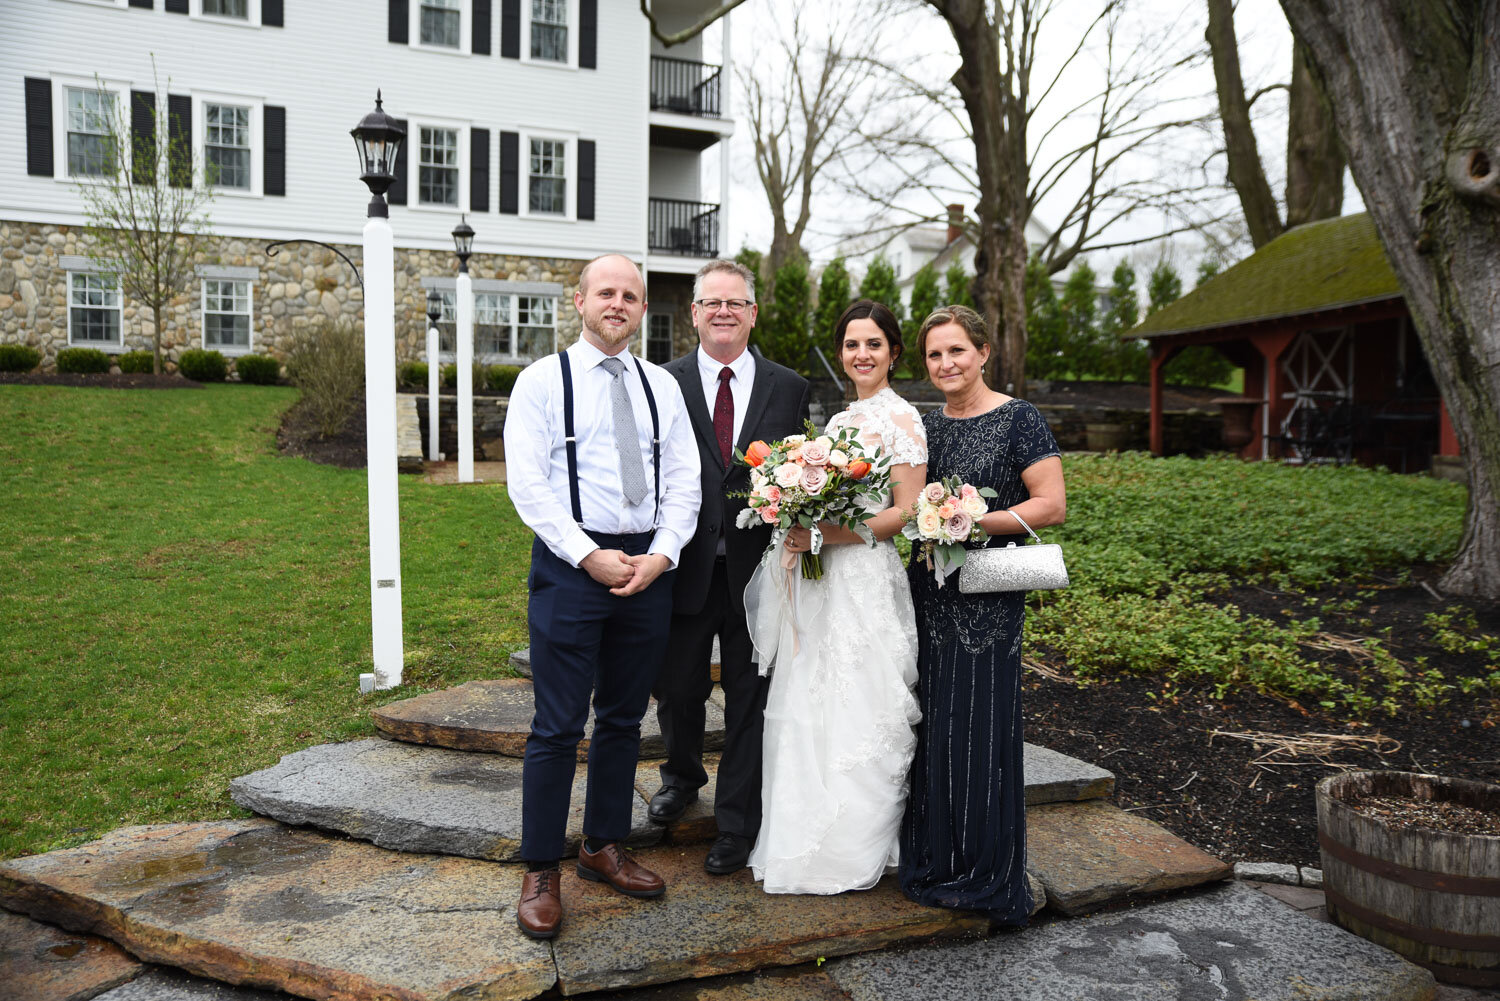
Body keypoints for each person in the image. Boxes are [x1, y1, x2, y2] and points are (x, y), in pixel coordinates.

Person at [502, 254, 702, 940]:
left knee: (621, 719)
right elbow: (528, 484)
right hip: (571, 563)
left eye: (631, 295)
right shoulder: (540, 382)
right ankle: (540, 867)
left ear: (643, 309)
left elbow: (684, 478)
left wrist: (663, 553)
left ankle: (603, 844)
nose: (618, 303)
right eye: (606, 292)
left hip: (646, 565)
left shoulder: (660, 386)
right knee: (557, 724)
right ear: (581, 300)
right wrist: (587, 554)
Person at [747, 300, 927, 894]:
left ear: (894, 352)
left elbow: (904, 512)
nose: (861, 355)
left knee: (860, 705)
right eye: (852, 344)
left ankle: (853, 846)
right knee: (811, 700)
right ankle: (803, 838)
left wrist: (824, 533)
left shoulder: (902, 421)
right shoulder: (843, 420)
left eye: (874, 344)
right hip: (824, 578)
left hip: (865, 579)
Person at [899, 305, 1066, 923]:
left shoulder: (1018, 417)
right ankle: (935, 858)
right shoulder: (924, 426)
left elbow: (1051, 506)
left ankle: (986, 868)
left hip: (990, 599)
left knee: (979, 728)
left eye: (957, 352)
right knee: (935, 726)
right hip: (928, 593)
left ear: (984, 352)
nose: (946, 364)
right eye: (936, 355)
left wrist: (965, 522)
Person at [651, 259, 811, 876]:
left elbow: (800, 477)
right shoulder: (663, 382)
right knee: (679, 687)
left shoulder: (788, 387)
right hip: (684, 564)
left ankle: (737, 823)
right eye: (711, 302)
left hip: (759, 572)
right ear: (694, 313)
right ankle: (681, 776)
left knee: (750, 695)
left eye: (735, 303)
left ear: (752, 312)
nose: (723, 312)